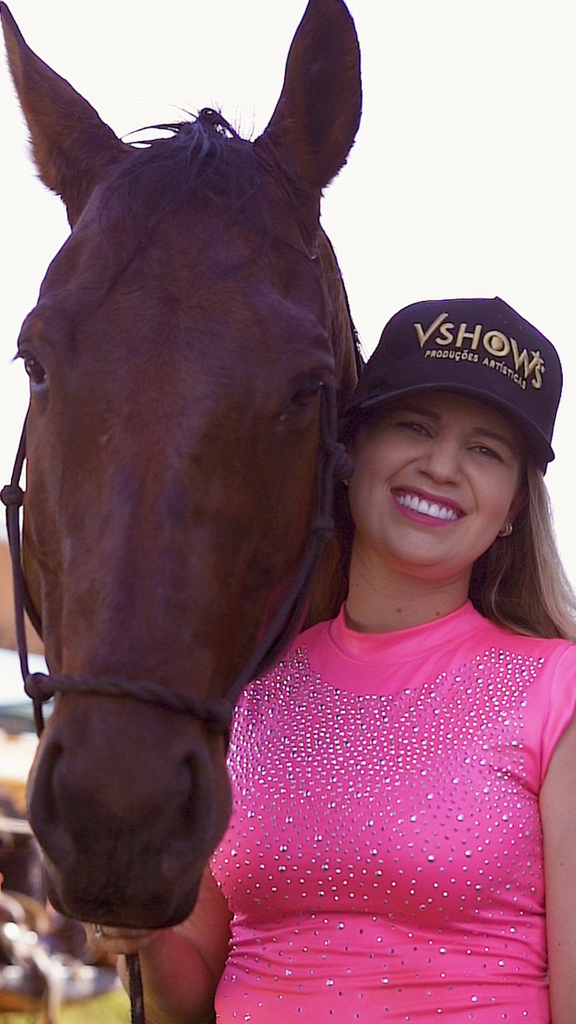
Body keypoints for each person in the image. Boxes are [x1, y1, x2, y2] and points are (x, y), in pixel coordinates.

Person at [90, 297, 576, 1024]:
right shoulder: (251, 687)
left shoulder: (558, 689)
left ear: (511, 508)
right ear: (350, 458)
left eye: (486, 450)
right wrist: (139, 932)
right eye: (414, 427)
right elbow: (187, 997)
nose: (441, 466)